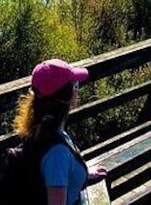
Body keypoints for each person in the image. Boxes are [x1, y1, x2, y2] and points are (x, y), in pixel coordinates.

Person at [12, 58, 107, 205]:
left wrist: (83, 174)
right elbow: (56, 171)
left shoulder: (41, 130)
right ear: (67, 96)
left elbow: (55, 175)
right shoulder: (57, 153)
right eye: (75, 84)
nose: (78, 88)